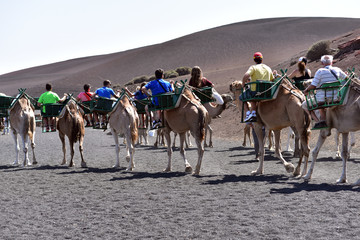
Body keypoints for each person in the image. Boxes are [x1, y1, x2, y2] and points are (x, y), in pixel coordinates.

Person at [303, 55, 347, 129]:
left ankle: (319, 122)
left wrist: (306, 90)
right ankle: (323, 119)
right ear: (332, 62)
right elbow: (346, 79)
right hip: (336, 98)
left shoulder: (320, 71)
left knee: (304, 105)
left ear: (322, 63)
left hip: (322, 100)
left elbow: (313, 86)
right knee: (321, 102)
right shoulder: (337, 69)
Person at [240, 52, 275, 122]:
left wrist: (243, 83)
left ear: (254, 60)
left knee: (241, 98)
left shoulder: (253, 67)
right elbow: (272, 79)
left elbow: (246, 75)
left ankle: (248, 114)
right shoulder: (268, 68)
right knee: (252, 97)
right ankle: (253, 113)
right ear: (262, 59)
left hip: (255, 92)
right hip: (266, 93)